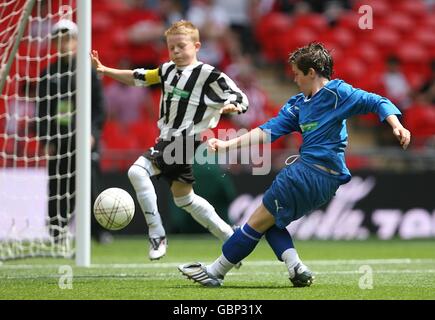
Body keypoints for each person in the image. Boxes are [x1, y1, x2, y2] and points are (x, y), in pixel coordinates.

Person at [178, 42, 411, 287]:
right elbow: (267, 132)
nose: (295, 79)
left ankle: (215, 271)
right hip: (326, 184)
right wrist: (227, 145)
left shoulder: (337, 93)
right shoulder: (297, 105)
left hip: (307, 173)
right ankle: (296, 267)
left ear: (311, 73)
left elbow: (378, 101)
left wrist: (397, 125)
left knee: (256, 221)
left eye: (298, 74)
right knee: (272, 220)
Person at [90, 20, 249, 260]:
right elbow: (138, 77)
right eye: (171, 47)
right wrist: (105, 70)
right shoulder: (166, 70)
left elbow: (240, 96)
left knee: (137, 172)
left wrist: (233, 106)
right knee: (185, 199)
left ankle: (157, 234)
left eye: (181, 46)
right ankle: (230, 237)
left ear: (196, 46)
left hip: (185, 139)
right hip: (169, 139)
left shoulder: (207, 74)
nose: (175, 51)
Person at [37, 19, 110, 245]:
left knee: (90, 184)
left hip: (84, 139)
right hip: (59, 138)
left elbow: (100, 108)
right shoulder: (47, 74)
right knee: (58, 185)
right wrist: (46, 139)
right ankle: (57, 231)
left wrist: (93, 135)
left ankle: (97, 231)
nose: (64, 43)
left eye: (68, 38)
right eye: (59, 39)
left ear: (77, 41)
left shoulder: (87, 72)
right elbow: (42, 110)